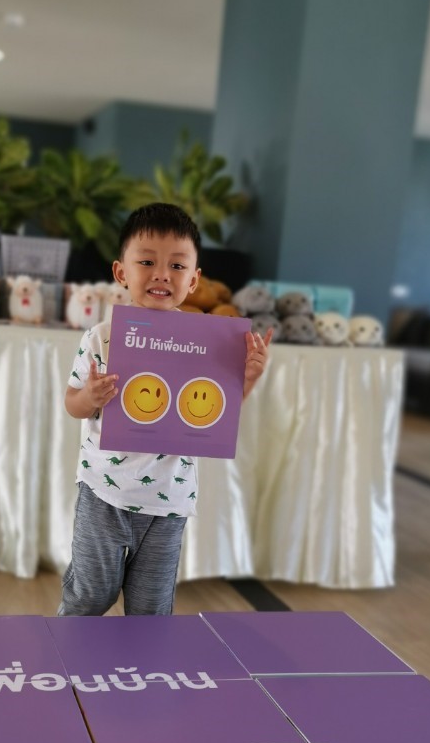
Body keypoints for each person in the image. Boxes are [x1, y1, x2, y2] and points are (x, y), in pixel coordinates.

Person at [58, 202, 272, 616]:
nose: (161, 274)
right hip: (104, 492)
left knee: (151, 608)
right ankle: (67, 653)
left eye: (177, 265)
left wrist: (248, 378)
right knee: (90, 595)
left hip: (169, 499)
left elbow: (214, 414)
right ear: (121, 272)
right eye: (146, 262)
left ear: (194, 280)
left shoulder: (208, 344)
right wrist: (90, 398)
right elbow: (72, 403)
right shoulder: (101, 337)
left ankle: (143, 660)